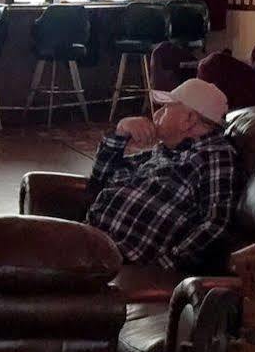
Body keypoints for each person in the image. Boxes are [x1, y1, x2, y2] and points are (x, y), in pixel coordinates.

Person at [84, 77, 238, 270]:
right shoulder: (163, 151)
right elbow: (100, 180)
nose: (156, 114)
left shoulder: (214, 155)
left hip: (119, 257)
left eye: (165, 108)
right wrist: (121, 133)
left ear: (188, 119)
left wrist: (163, 266)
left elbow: (216, 224)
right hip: (91, 238)